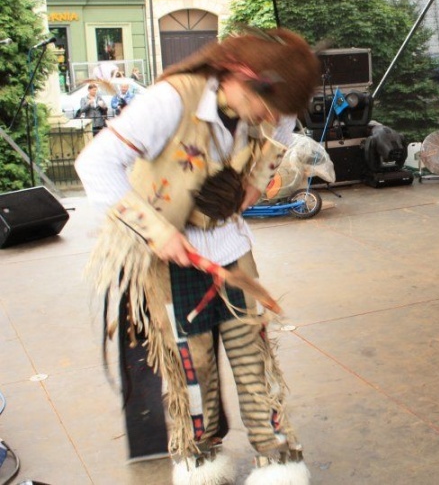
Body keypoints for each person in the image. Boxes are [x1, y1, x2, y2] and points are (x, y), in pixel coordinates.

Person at [75, 27, 321, 485]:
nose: (270, 117)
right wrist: (155, 231)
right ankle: (201, 459)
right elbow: (93, 163)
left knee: (254, 354)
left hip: (231, 246)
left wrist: (254, 182)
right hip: (172, 258)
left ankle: (278, 460)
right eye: (265, 106)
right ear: (239, 77)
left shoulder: (265, 106)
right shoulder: (171, 99)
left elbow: (282, 128)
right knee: (193, 365)